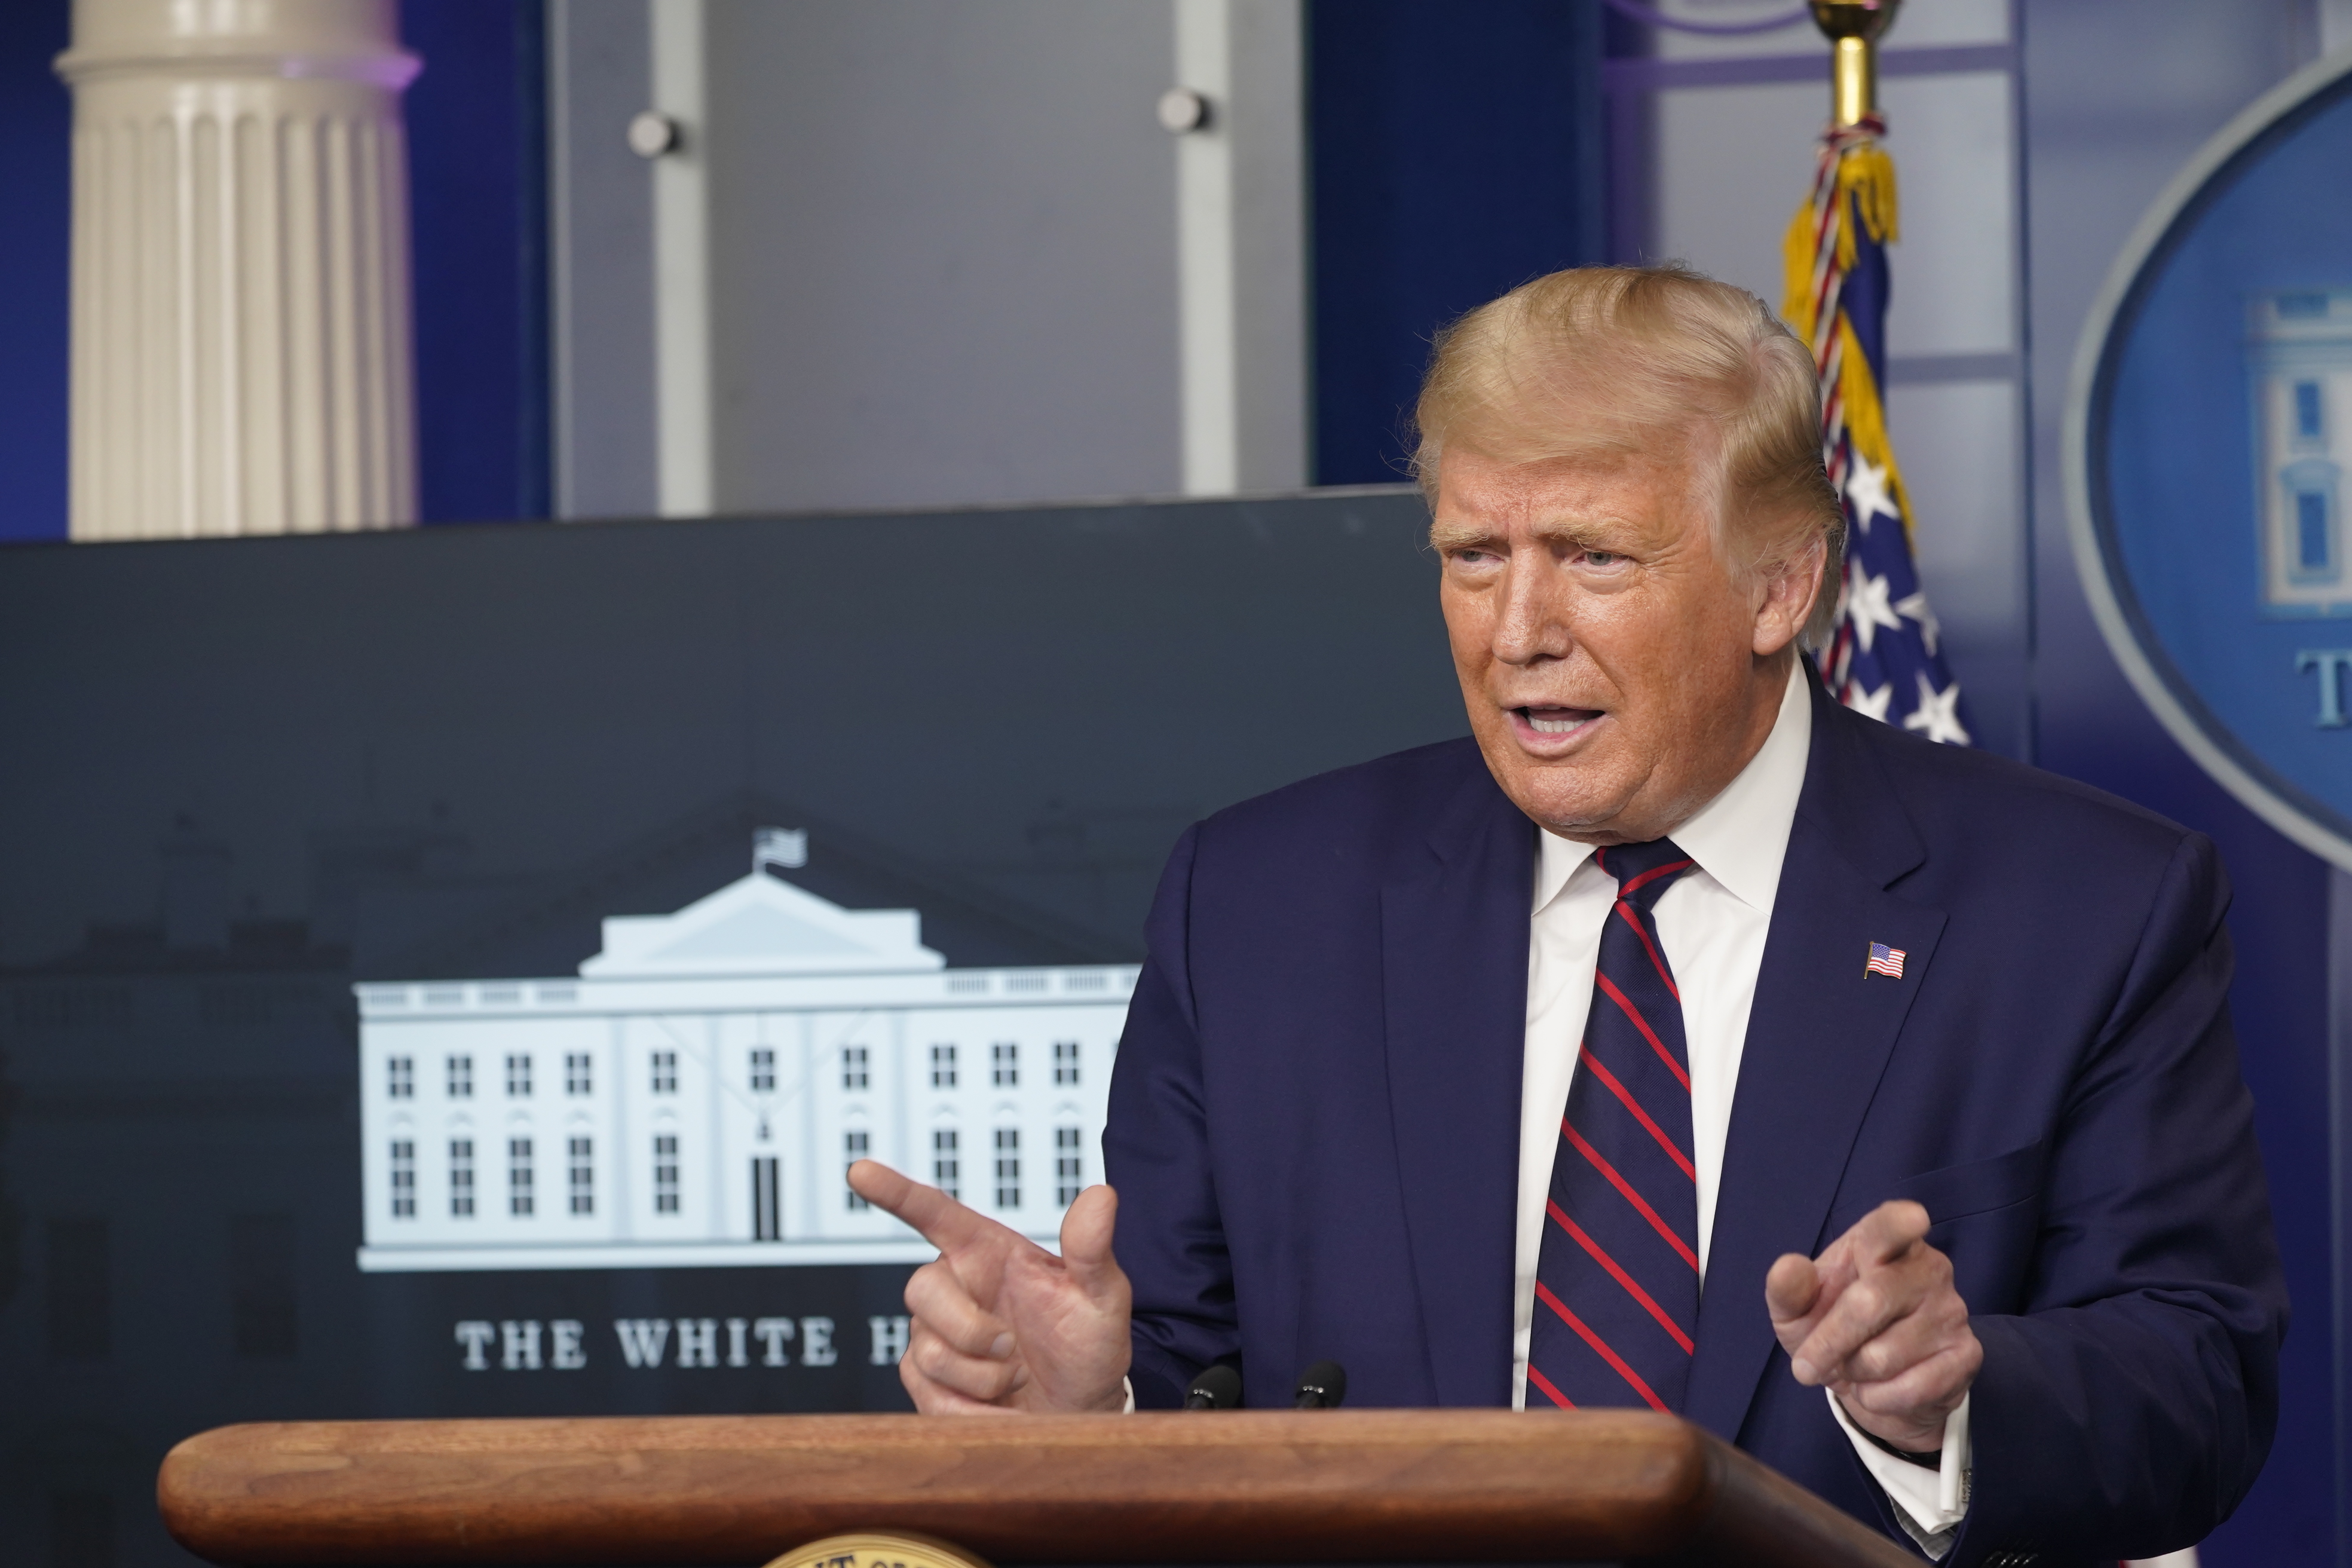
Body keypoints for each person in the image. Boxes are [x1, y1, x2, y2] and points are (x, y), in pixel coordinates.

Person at [848, 265, 2284, 1565]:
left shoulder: (2080, 907)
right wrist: (1072, 1409)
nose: (1516, 628)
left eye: (1595, 555)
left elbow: (2199, 1385)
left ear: (1780, 585)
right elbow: (1190, 1375)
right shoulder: (1263, 904)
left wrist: (1951, 1398)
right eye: (1476, 554)